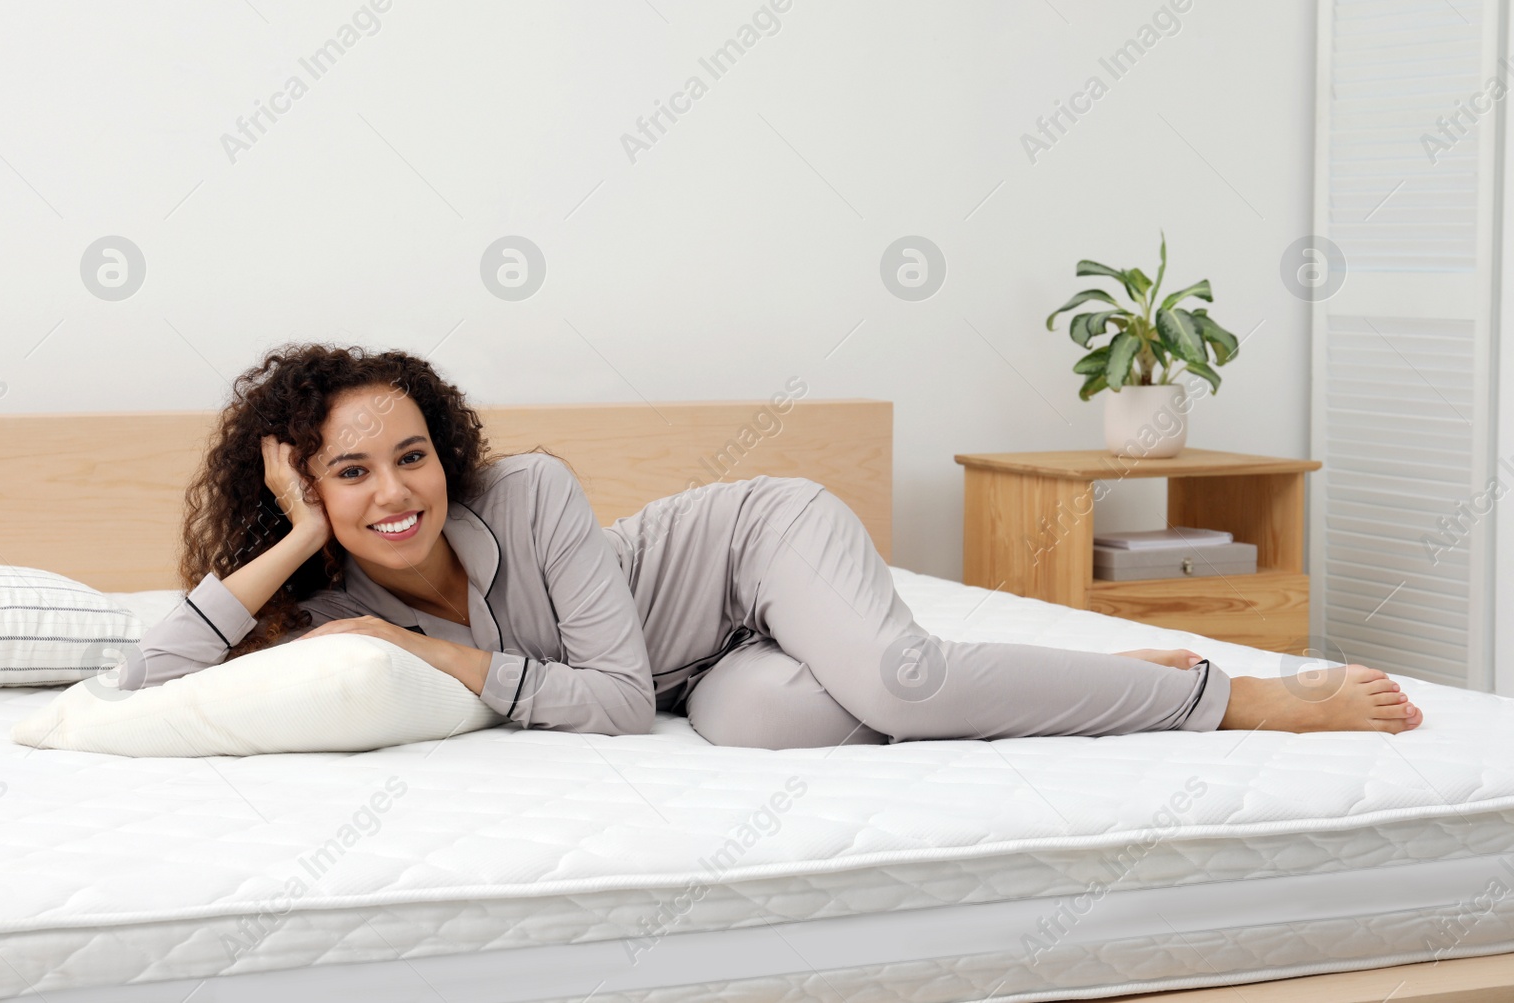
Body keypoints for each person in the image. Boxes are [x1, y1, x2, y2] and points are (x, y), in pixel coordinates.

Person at [119, 343, 1424, 748]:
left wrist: (444, 661)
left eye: (411, 454)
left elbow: (617, 703)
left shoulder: (530, 494)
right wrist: (292, 545)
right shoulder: (324, 596)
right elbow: (145, 684)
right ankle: (1090, 683)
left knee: (904, 689)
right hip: (706, 676)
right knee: (768, 731)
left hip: (752, 555)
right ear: (310, 490)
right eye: (349, 473)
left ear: (446, 448)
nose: (394, 490)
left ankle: (1226, 695)